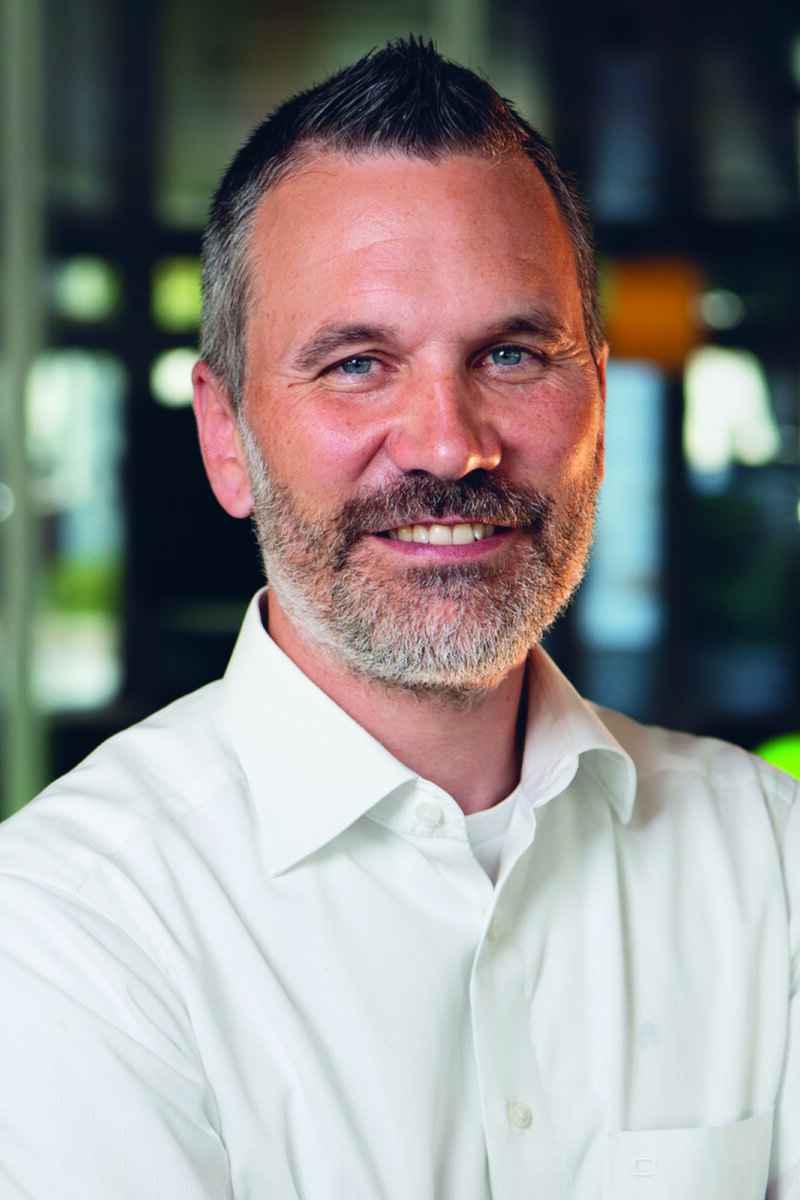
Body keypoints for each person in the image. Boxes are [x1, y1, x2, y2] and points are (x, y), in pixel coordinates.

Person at [0, 36, 797, 1200]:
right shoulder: (72, 924)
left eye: (510, 353)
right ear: (224, 437)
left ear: (597, 396)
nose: (446, 444)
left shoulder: (767, 858)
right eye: (357, 364)